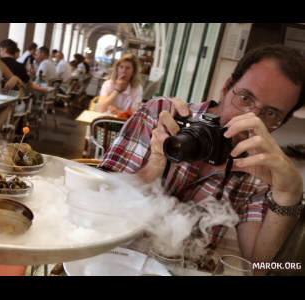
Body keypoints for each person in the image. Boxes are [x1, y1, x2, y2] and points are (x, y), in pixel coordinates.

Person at [98, 45, 305, 270]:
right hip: (110, 262)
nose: (250, 120)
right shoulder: (162, 116)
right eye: (245, 98)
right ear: (226, 89)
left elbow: (262, 268)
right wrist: (154, 167)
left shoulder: (259, 168)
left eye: (271, 113)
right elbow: (94, 211)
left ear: (281, 124)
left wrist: (289, 194)